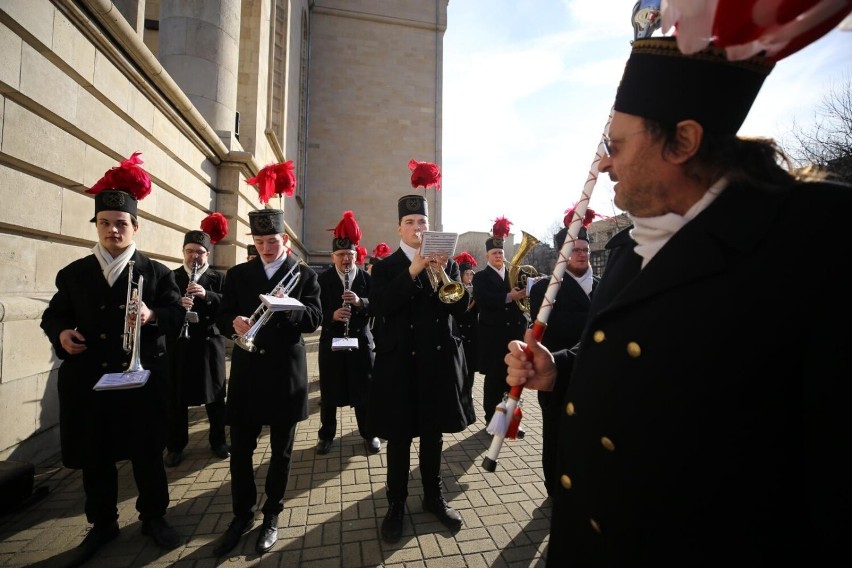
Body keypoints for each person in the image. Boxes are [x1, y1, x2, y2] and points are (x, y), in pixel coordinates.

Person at [504, 36, 852, 566]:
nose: (601, 163)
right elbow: (630, 355)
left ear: (682, 141)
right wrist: (560, 372)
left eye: (616, 144)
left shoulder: (822, 242)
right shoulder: (630, 243)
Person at [39, 153, 185, 565]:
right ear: (97, 226)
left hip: (140, 383)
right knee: (95, 459)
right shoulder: (74, 273)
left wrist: (153, 314)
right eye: (105, 223)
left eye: (121, 223)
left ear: (135, 227)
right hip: (91, 383)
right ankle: (102, 524)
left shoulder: (156, 274)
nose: (113, 230)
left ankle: (154, 518)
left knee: (146, 456)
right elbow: (55, 314)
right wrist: (61, 333)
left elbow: (175, 315)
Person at [368, 183, 475, 543]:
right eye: (410, 221)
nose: (417, 227)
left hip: (436, 364)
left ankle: (433, 496)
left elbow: (460, 311)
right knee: (399, 439)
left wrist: (446, 274)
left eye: (422, 222)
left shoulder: (448, 263)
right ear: (399, 228)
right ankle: (396, 504)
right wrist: (413, 271)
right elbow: (380, 306)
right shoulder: (386, 267)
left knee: (433, 435)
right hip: (401, 365)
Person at [214, 207, 322, 556]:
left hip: (284, 374)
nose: (266, 247)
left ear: (285, 240)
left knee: (282, 452)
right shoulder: (238, 274)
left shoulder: (304, 275)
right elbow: (221, 314)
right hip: (247, 372)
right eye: (259, 241)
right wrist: (234, 321)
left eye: (272, 241)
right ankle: (241, 514)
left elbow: (314, 320)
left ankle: (271, 514)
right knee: (241, 452)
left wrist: (288, 306)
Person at [527, 219, 598, 497]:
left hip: (596, 378)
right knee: (557, 437)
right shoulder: (545, 289)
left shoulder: (605, 286)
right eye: (574, 249)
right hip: (559, 377)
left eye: (585, 248)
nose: (581, 253)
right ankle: (555, 491)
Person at [164, 213, 230, 468]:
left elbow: (228, 307)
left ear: (207, 255)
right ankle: (176, 446)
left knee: (215, 397)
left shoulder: (218, 279)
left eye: (200, 252)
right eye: (190, 251)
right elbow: (160, 307)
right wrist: (177, 304)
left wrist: (207, 295)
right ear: (184, 252)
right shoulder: (170, 277)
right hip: (178, 345)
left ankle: (218, 441)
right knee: (176, 398)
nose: (195, 256)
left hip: (208, 345)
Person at [316, 211, 380, 455]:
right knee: (329, 392)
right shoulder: (322, 280)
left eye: (349, 255)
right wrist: (330, 316)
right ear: (333, 257)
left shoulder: (367, 278)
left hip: (361, 343)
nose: (345, 259)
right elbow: (313, 311)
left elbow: (379, 305)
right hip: (332, 341)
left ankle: (369, 432)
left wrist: (361, 302)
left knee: (365, 390)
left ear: (357, 256)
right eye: (341, 255)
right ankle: (326, 435)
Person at [472, 217, 528, 427]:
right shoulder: (481, 277)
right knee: (495, 381)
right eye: (495, 253)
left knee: (515, 381)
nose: (498, 256)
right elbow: (483, 299)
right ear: (487, 256)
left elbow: (527, 297)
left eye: (501, 253)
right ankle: (492, 421)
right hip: (493, 337)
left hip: (515, 334)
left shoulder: (516, 273)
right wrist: (509, 297)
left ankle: (512, 421)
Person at [452, 251, 479, 414]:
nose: (469, 276)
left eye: (471, 273)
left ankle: (468, 391)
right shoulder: (455, 287)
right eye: (467, 273)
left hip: (473, 333)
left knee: (471, 366)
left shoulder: (476, 288)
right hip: (459, 331)